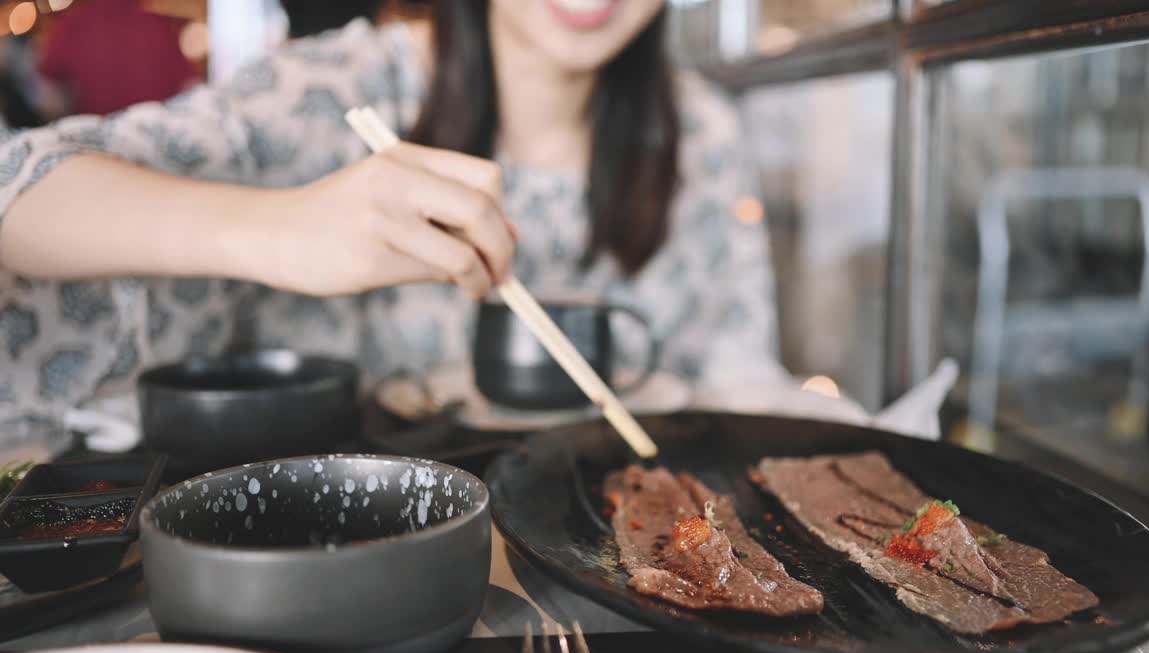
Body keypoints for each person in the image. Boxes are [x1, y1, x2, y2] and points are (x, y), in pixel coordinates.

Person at [0, 0, 783, 432]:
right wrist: (277, 227)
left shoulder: (703, 130)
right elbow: (18, 188)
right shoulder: (339, 86)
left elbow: (741, 378)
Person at [36, 0, 200, 117]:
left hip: (99, 146)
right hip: (155, 141)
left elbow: (48, 98)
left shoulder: (73, 23)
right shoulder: (158, 23)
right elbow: (190, 88)